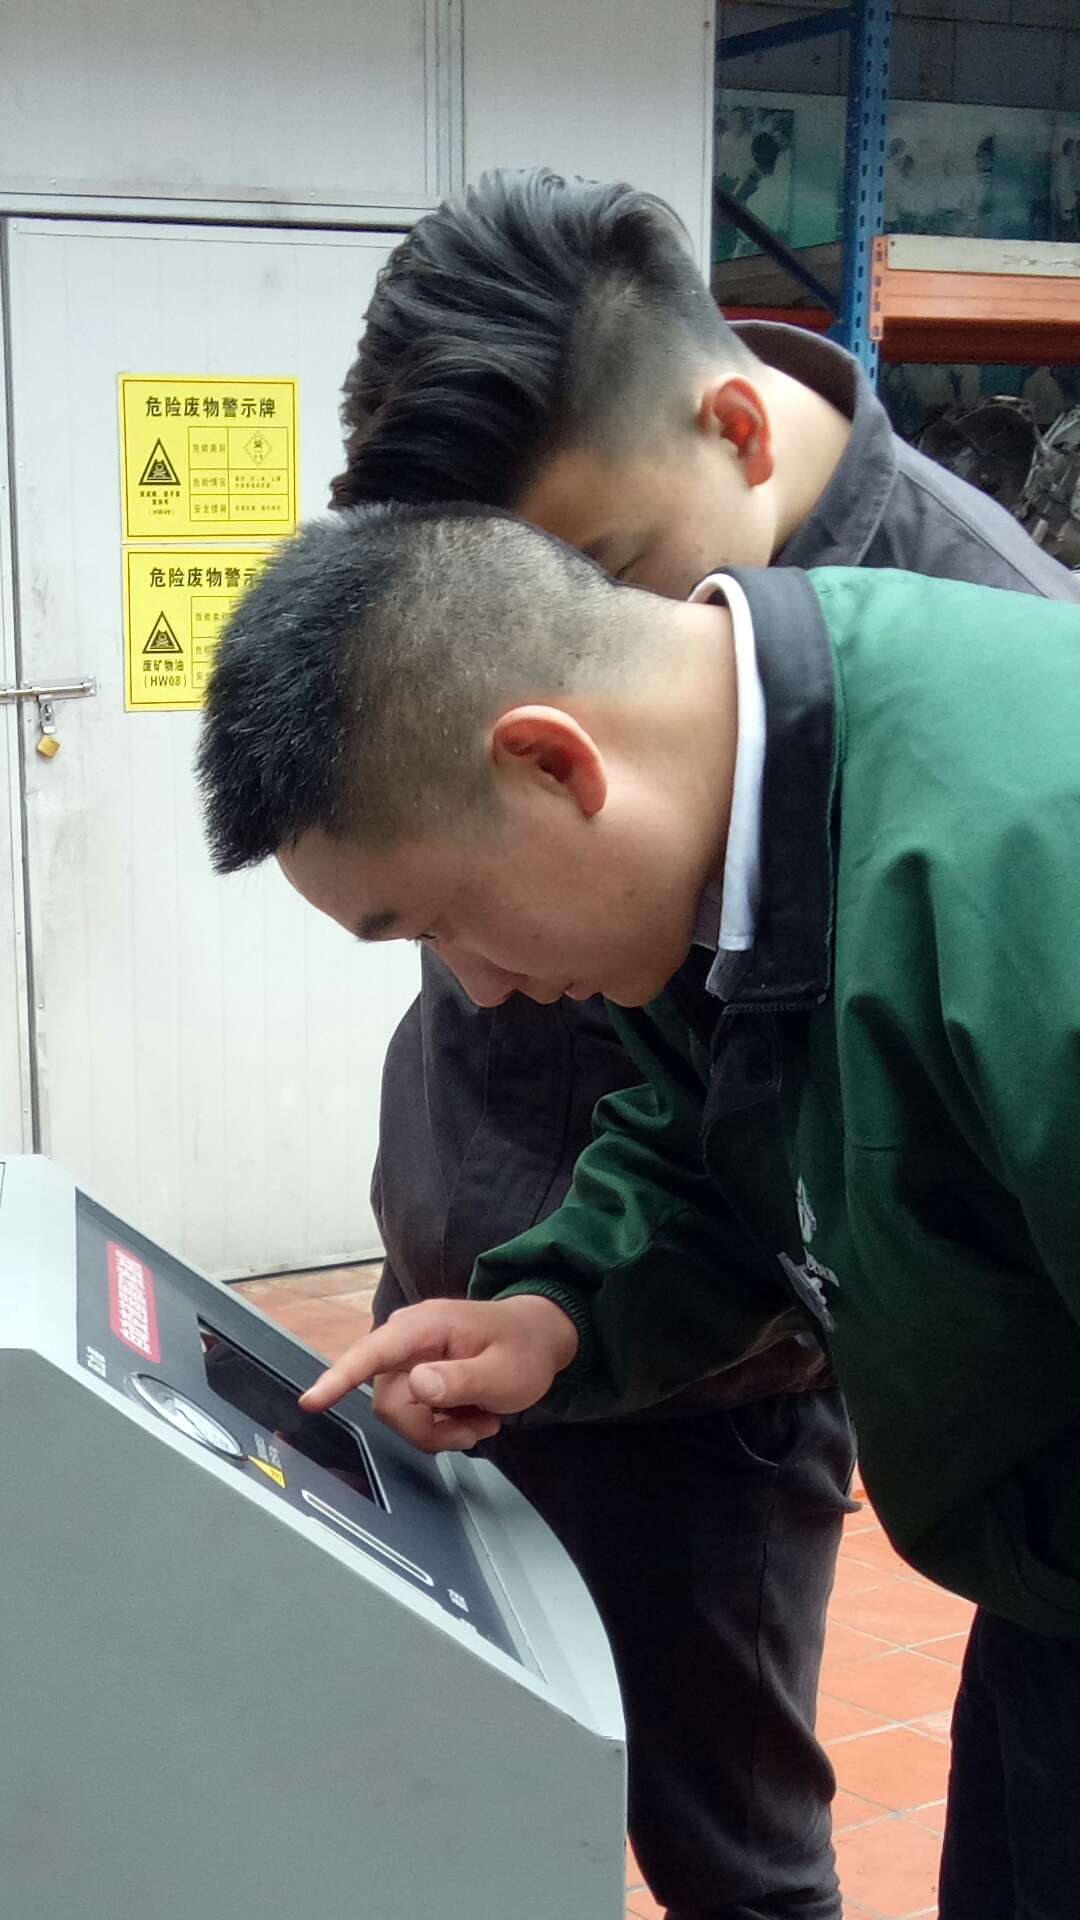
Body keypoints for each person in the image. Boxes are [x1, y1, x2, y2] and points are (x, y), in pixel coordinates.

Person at [322, 169, 1079, 1920]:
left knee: (728, 1837)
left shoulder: (994, 767)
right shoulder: (677, 695)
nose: (559, 668)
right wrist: (559, 1305)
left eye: (592, 579)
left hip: (740, 1398)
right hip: (582, 1310)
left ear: (736, 431)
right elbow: (708, 1108)